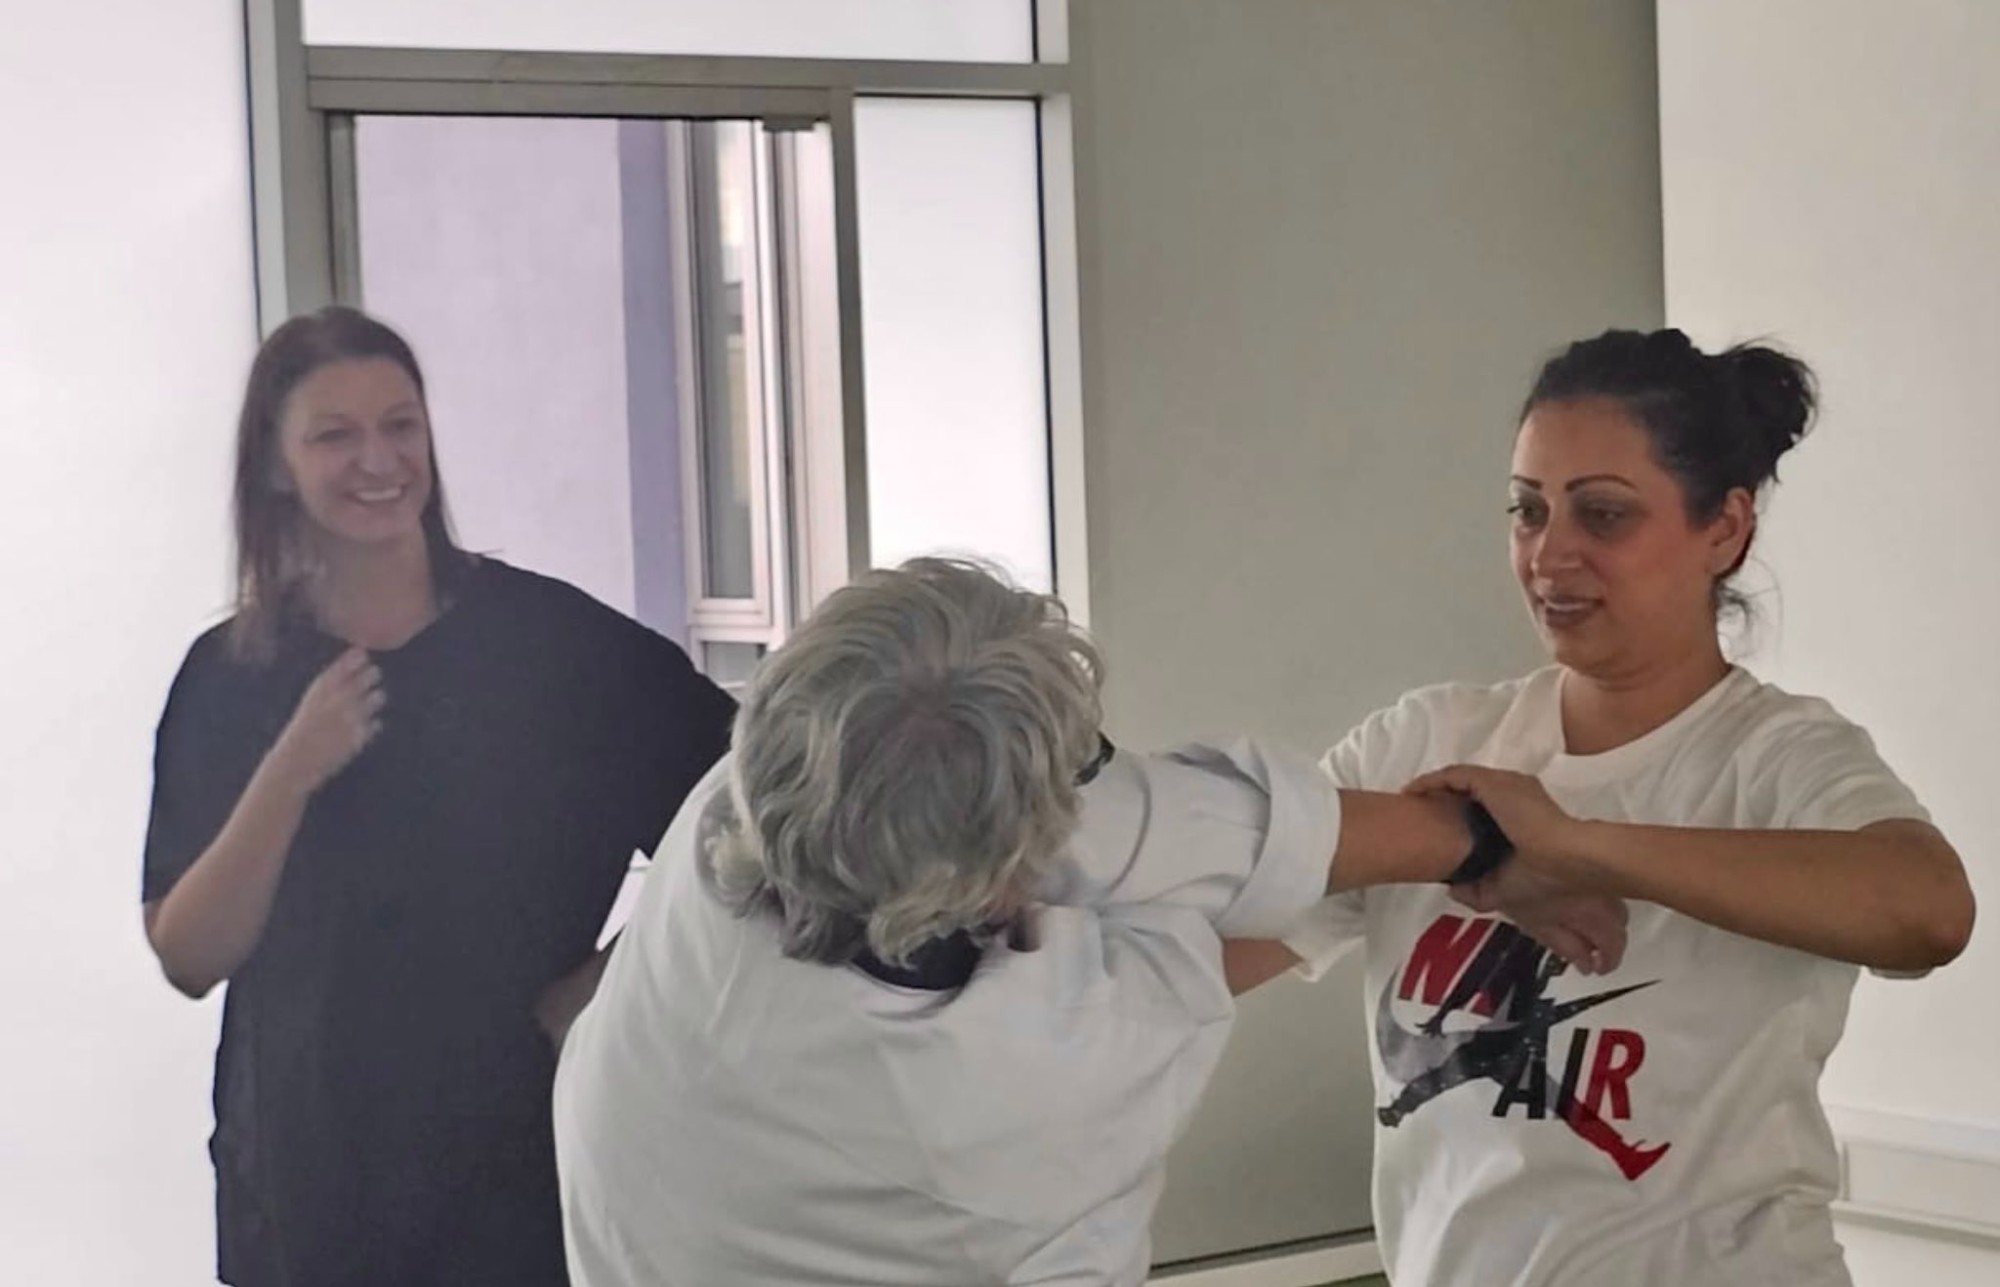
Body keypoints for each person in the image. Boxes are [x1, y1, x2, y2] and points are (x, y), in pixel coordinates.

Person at [550, 557, 1621, 1287]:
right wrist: (1477, 855)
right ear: (1008, 874)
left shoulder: (740, 805)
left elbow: (1136, 824)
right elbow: (1193, 931)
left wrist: (1467, 850)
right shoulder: (1008, 1101)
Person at [1228, 328, 1976, 1286]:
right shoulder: (1424, 740)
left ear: (1726, 528)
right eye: (1527, 511)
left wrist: (1578, 846)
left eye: (1605, 515)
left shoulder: (1778, 755)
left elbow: (1928, 910)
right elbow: (1208, 944)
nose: (1551, 554)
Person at [140, 306, 736, 1287]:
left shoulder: (554, 648)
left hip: (522, 1162)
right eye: (335, 434)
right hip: (299, 1184)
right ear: (277, 465)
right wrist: (290, 769)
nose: (379, 459)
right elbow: (190, 955)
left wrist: (605, 984)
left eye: (401, 424)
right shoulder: (230, 675)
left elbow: (767, 818)